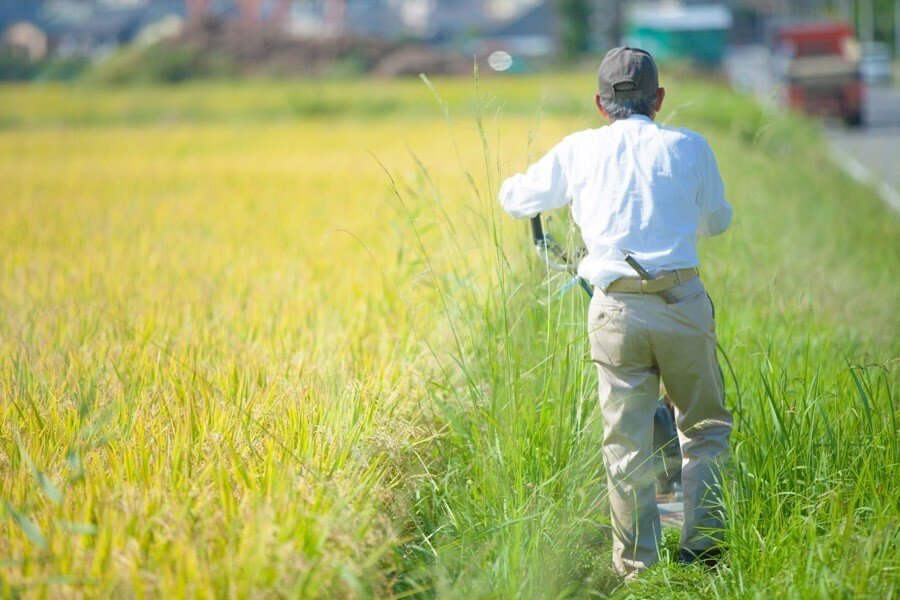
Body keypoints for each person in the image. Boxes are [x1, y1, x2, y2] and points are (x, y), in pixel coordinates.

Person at [498, 47, 733, 579]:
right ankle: (704, 551)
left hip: (613, 310)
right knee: (706, 427)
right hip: (682, 303)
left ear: (601, 105)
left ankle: (638, 569)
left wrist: (523, 188)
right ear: (660, 99)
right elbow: (716, 221)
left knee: (625, 446)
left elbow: (516, 198)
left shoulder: (578, 150)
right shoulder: (689, 146)